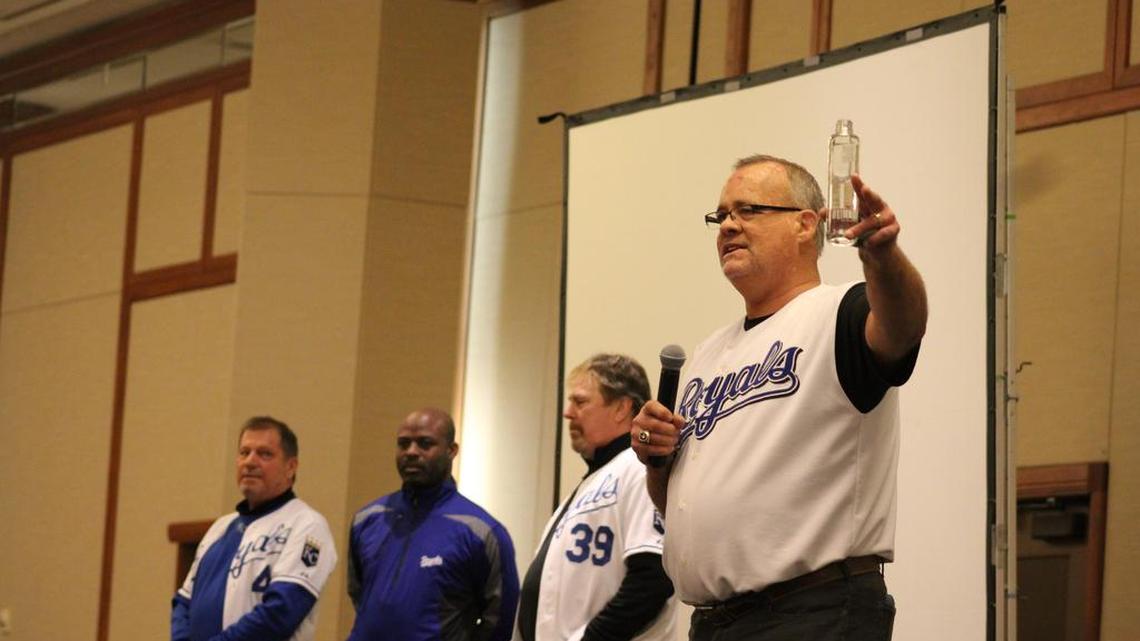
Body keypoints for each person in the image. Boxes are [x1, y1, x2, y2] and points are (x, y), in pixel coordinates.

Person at [630, 155, 927, 641]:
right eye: (721, 215)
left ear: (805, 224)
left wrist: (883, 258)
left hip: (812, 612)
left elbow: (904, 327)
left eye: (748, 210)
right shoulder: (708, 354)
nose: (728, 226)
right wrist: (656, 460)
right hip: (716, 621)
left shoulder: (841, 312)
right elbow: (676, 503)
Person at [515, 354, 676, 641]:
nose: (568, 413)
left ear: (621, 408)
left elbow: (652, 578)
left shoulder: (639, 469)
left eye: (580, 402)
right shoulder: (593, 482)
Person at [346, 408, 519, 641]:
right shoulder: (367, 519)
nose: (411, 452)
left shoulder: (481, 531)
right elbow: (360, 594)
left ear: (451, 451)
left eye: (425, 444)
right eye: (403, 444)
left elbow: (501, 618)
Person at [171, 416, 338, 641]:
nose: (250, 461)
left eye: (264, 454)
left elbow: (281, 613)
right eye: (244, 452)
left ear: (291, 467)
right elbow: (183, 603)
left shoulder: (307, 525)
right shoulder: (220, 528)